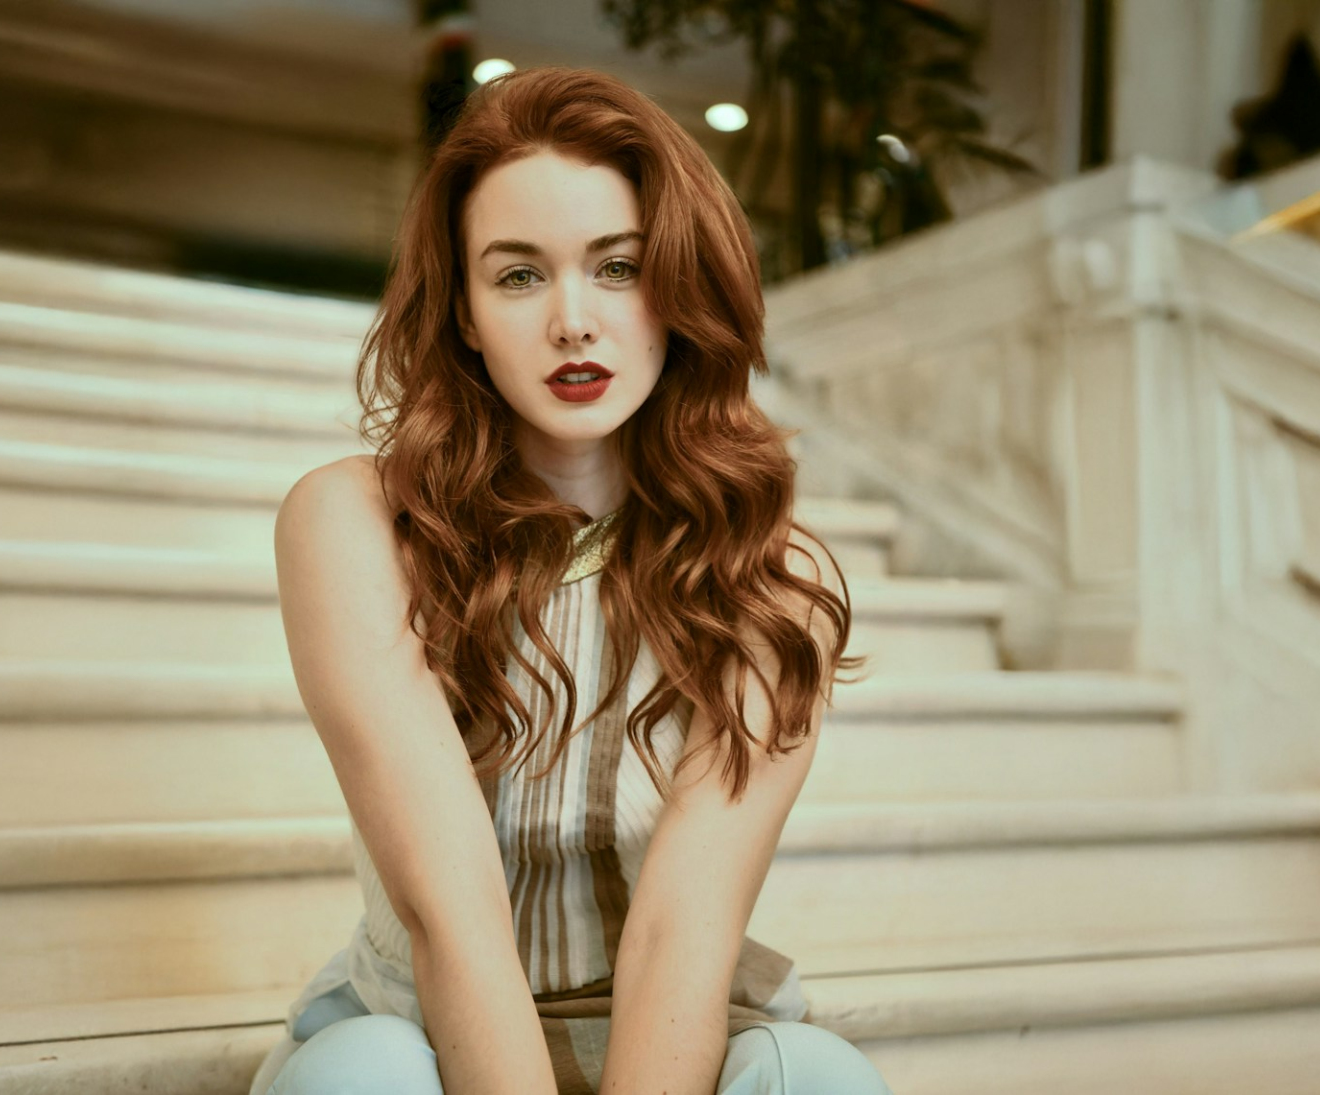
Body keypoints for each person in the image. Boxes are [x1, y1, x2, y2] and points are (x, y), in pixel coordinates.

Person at [253, 65, 892, 1095]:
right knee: (361, 1077)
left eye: (618, 267)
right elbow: (449, 913)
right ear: (464, 313)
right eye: (518, 276)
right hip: (428, 1030)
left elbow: (683, 929)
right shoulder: (357, 524)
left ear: (679, 286)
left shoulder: (767, 575)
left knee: (817, 1077)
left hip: (670, 1035)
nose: (573, 322)